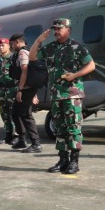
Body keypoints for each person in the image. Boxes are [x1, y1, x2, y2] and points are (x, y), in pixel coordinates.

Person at [29, 18, 95, 174]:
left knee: (73, 128)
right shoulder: (50, 47)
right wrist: (39, 40)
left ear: (68, 30)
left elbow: (91, 65)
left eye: (60, 29)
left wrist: (75, 75)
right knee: (59, 129)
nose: (57, 32)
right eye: (55, 29)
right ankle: (63, 159)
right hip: (56, 95)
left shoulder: (77, 47)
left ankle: (74, 162)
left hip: (72, 94)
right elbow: (32, 57)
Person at [9, 33, 42, 153]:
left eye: (12, 44)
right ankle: (22, 139)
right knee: (15, 113)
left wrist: (20, 90)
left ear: (17, 42)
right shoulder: (25, 52)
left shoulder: (23, 53)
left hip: (26, 89)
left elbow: (25, 71)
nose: (11, 47)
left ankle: (36, 143)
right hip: (27, 88)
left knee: (26, 115)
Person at [0, 37, 18, 145]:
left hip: (13, 89)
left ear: (8, 46)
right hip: (2, 90)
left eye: (3, 45)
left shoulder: (14, 58)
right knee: (4, 113)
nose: (1, 47)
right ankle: (8, 135)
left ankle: (17, 135)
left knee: (14, 113)